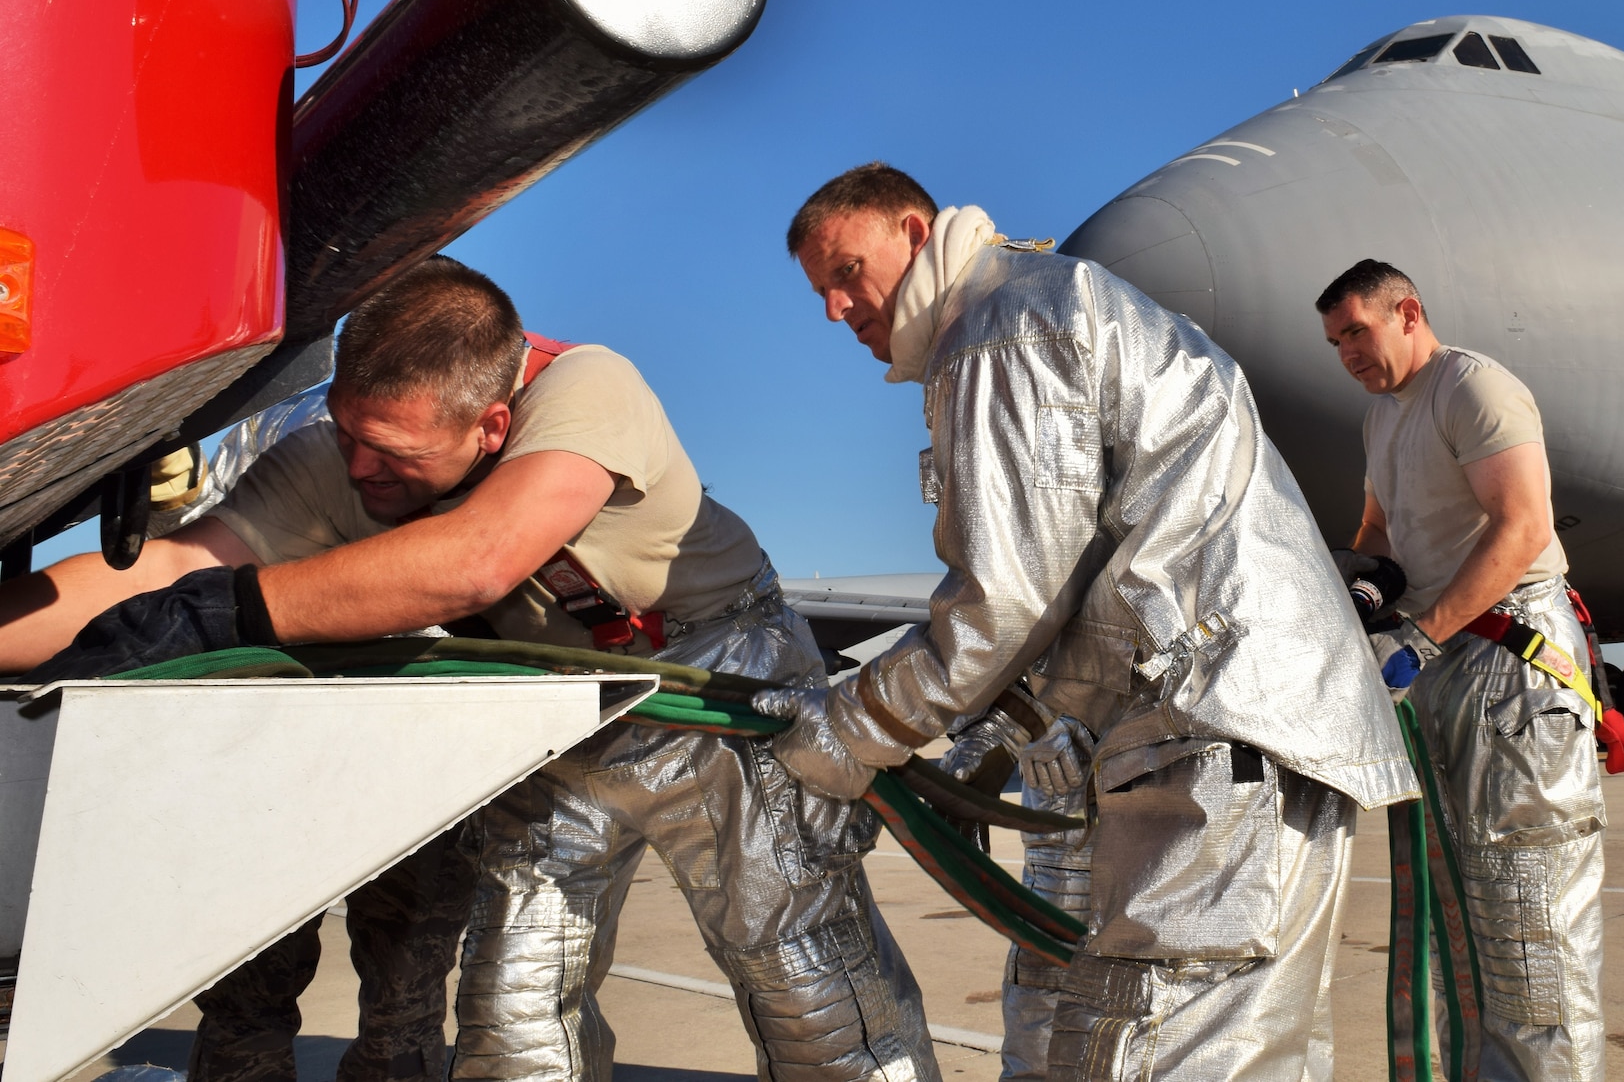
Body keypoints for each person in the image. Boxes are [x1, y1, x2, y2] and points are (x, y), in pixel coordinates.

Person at [0, 256, 937, 1082]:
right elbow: (172, 568)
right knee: (514, 1009)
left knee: (806, 980)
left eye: (395, 454)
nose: (359, 467)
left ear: (493, 424)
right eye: (348, 433)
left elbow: (481, 555)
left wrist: (234, 608)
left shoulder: (588, 389)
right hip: (566, 714)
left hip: (715, 684)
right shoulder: (348, 449)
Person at [766, 162, 1418, 1080]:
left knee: (1158, 1052)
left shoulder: (999, 329)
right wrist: (984, 737)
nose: (836, 308)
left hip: (1215, 735)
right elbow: (1074, 579)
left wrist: (849, 729)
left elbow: (1008, 598)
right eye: (820, 292)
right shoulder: (1035, 307)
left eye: (845, 271)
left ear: (915, 234)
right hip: (1238, 732)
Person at [1317, 258, 1608, 1082]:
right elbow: (1378, 529)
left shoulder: (1473, 388)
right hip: (1443, 665)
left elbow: (1521, 525)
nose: (1347, 353)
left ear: (1407, 311)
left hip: (1513, 656)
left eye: (1357, 332)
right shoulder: (1382, 418)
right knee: (1459, 917)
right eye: (1336, 341)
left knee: (1528, 915)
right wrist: (1359, 589)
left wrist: (1422, 639)